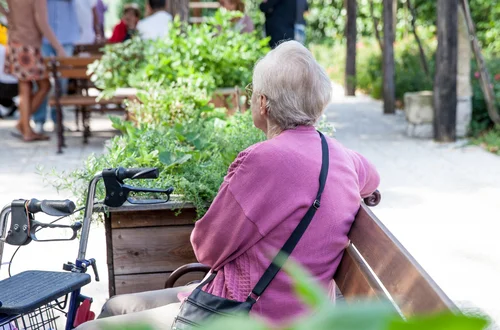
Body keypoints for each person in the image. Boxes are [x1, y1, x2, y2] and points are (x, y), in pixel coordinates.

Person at [75, 41, 380, 329]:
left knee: (90, 327)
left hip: (243, 314)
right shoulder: (340, 156)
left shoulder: (261, 161)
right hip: (300, 314)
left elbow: (206, 248)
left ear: (262, 104)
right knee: (116, 306)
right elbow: (372, 179)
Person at [1, 0, 67, 141]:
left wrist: (6, 14)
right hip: (28, 44)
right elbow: (42, 22)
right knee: (39, 86)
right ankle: (25, 130)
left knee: (29, 87)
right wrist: (58, 47)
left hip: (14, 41)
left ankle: (24, 125)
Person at [32, 0, 80, 134]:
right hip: (43, 39)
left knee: (62, 83)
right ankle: (39, 120)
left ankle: (57, 120)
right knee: (41, 82)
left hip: (66, 37)